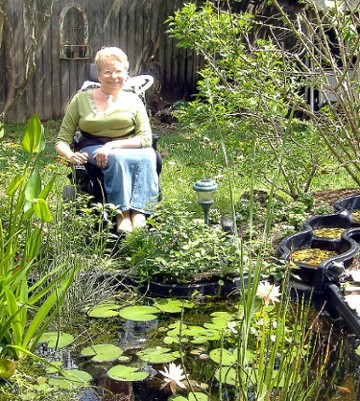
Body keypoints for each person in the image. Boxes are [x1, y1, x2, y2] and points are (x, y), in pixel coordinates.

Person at [55, 47, 159, 233]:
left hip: (126, 145)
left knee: (150, 154)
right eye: (108, 72)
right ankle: (122, 215)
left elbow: (145, 138)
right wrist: (70, 155)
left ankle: (140, 213)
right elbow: (61, 140)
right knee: (117, 159)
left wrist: (112, 145)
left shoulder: (134, 100)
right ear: (99, 74)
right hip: (93, 147)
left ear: (126, 73)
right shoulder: (81, 99)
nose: (114, 76)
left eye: (119, 71)